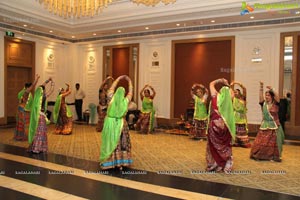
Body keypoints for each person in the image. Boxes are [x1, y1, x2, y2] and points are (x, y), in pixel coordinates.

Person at [100, 75, 133, 170]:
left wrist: (119, 78)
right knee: (121, 142)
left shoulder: (111, 98)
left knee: (110, 141)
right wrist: (129, 80)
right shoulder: (125, 101)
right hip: (121, 124)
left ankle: (110, 162)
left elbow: (111, 88)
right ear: (123, 94)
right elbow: (131, 92)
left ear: (115, 92)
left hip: (109, 123)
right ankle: (121, 162)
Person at [206, 78, 235, 174]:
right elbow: (231, 93)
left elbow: (211, 83)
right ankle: (226, 163)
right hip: (225, 127)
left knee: (213, 146)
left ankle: (215, 164)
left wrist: (220, 80)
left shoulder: (216, 96)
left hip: (214, 126)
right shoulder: (229, 100)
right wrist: (228, 85)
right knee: (225, 145)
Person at [250, 82, 285, 162]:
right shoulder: (264, 104)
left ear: (272, 97)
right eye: (266, 95)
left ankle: (272, 156)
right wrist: (261, 87)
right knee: (262, 142)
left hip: (274, 125)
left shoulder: (276, 103)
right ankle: (261, 155)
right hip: (265, 125)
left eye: (268, 95)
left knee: (273, 143)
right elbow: (260, 98)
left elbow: (277, 96)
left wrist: (272, 89)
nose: (266, 96)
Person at [27, 77, 53, 153]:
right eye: (44, 90)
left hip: (38, 116)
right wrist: (52, 83)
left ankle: (38, 147)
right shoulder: (44, 97)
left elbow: (41, 86)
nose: (45, 90)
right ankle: (38, 148)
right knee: (41, 132)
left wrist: (47, 80)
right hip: (41, 116)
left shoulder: (37, 97)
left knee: (38, 131)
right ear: (42, 91)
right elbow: (51, 90)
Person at [14, 74, 40, 141]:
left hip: (20, 110)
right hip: (24, 111)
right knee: (25, 124)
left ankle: (19, 136)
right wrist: (36, 79)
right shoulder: (26, 92)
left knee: (21, 124)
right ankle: (24, 136)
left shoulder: (22, 92)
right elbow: (32, 86)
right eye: (30, 88)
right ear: (27, 87)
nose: (30, 89)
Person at [230, 81, 251, 148]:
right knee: (235, 130)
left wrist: (237, 83)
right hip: (235, 116)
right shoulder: (234, 99)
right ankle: (235, 142)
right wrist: (231, 86)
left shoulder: (243, 98)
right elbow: (230, 92)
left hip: (241, 117)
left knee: (241, 130)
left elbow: (244, 89)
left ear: (239, 93)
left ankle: (243, 143)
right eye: (234, 92)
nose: (235, 93)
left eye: (236, 92)